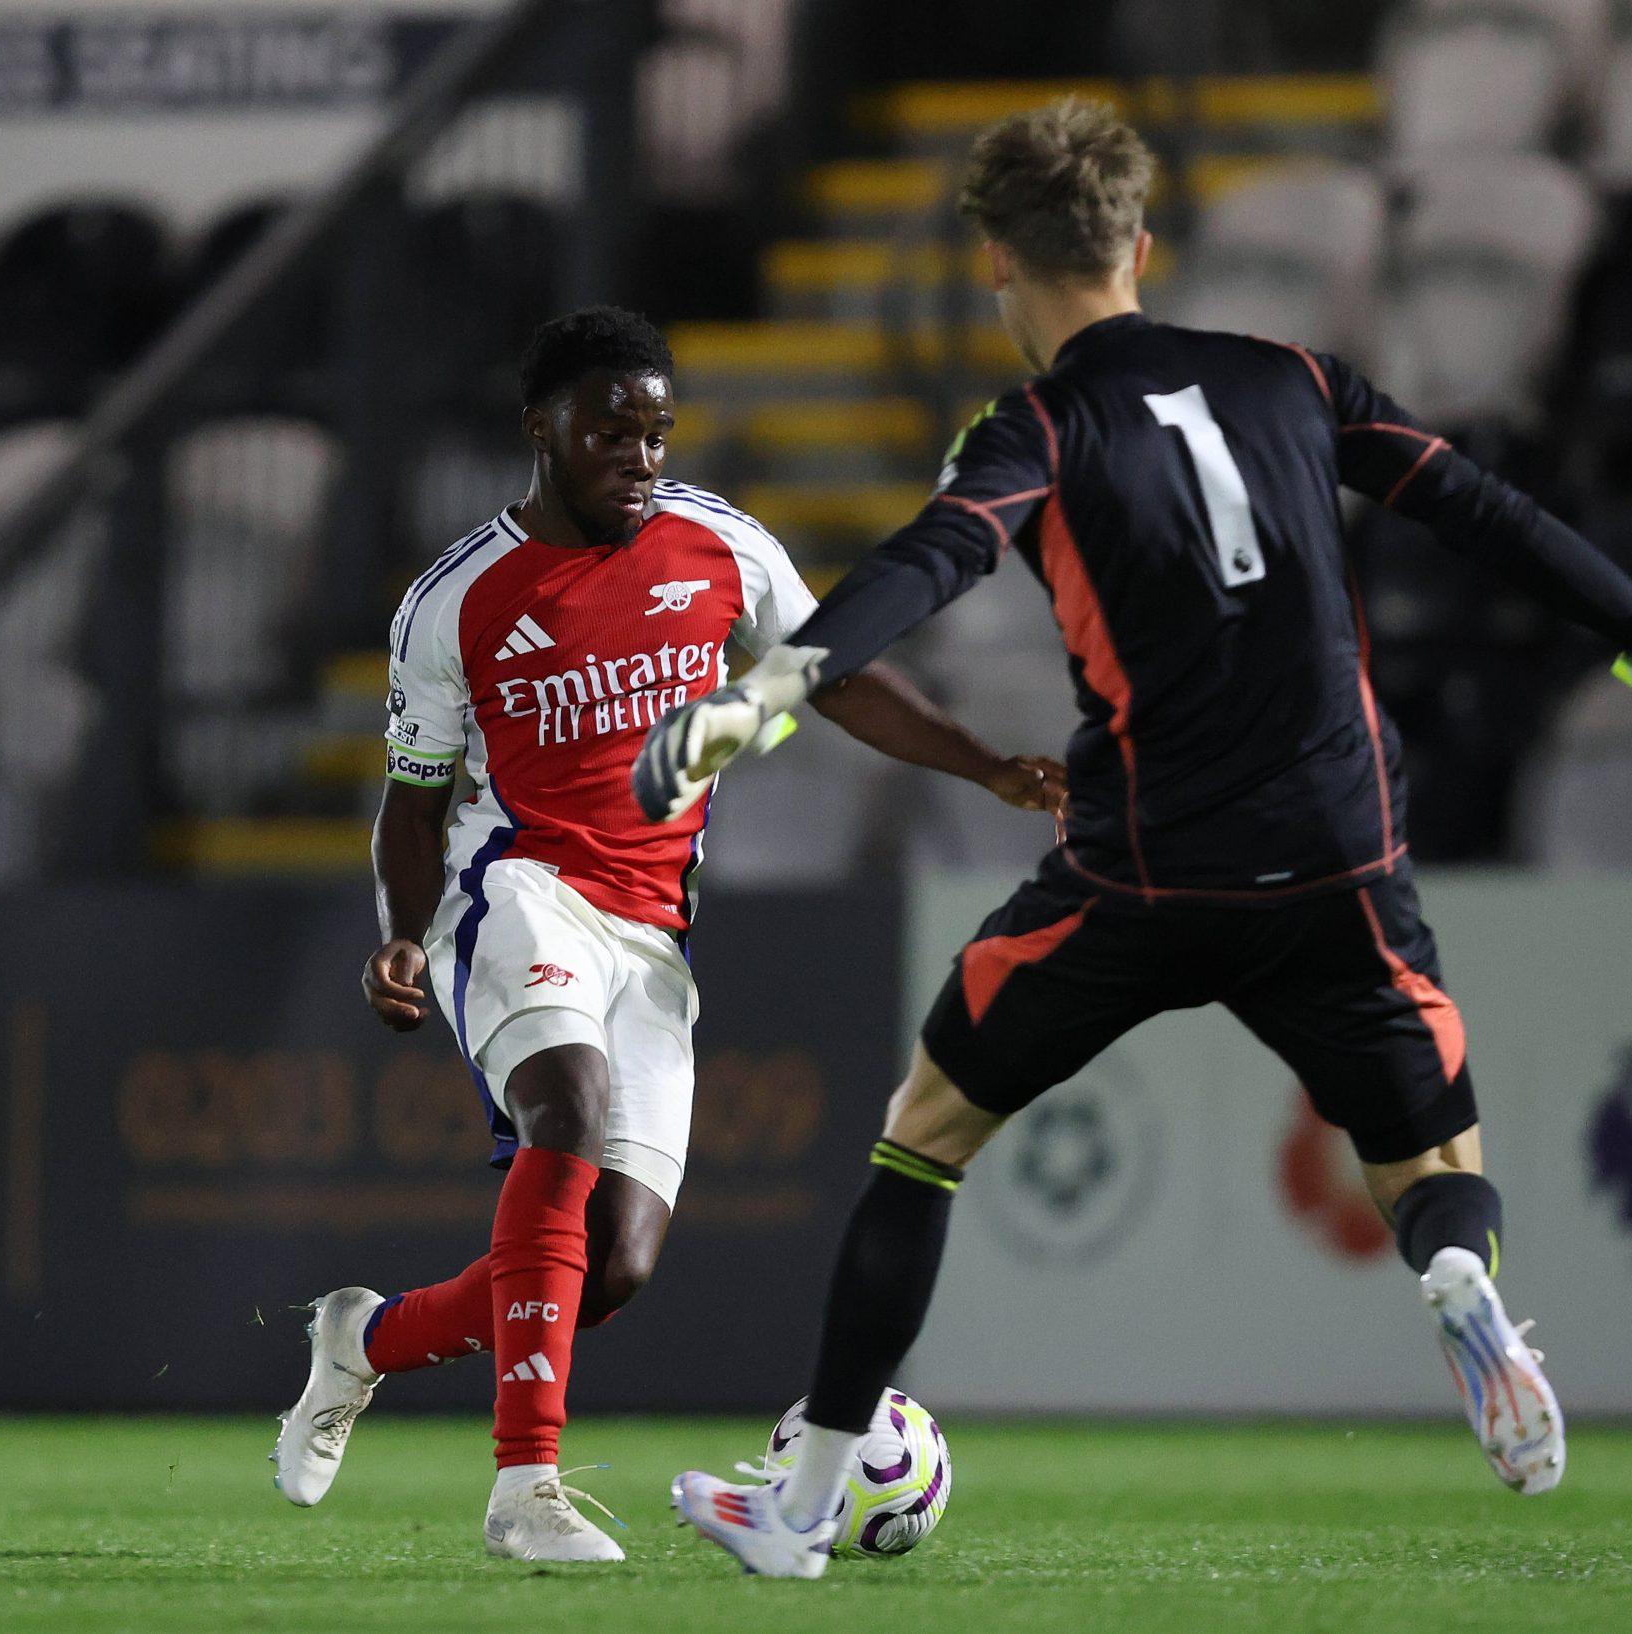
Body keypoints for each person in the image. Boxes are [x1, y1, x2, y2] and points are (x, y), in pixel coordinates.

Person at [633, 101, 1632, 1578]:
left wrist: (775, 690)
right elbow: (1487, 511)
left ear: (995, 260)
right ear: (1142, 244)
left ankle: (806, 1499)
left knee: (926, 1134)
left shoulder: (1038, 428)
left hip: (1140, 869)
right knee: (1431, 1155)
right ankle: (1461, 1279)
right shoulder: (1297, 379)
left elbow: (932, 559)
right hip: (1339, 858)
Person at [268, 306, 1064, 1562]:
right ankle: (524, 1488)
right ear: (542, 430)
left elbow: (832, 676)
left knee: (614, 1265)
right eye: (610, 432)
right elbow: (414, 802)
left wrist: (984, 768)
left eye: (655, 433)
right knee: (566, 1109)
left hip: (651, 928)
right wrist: (404, 933)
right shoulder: (453, 601)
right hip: (515, 887)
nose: (639, 457)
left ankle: (362, 1340)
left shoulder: (722, 548)